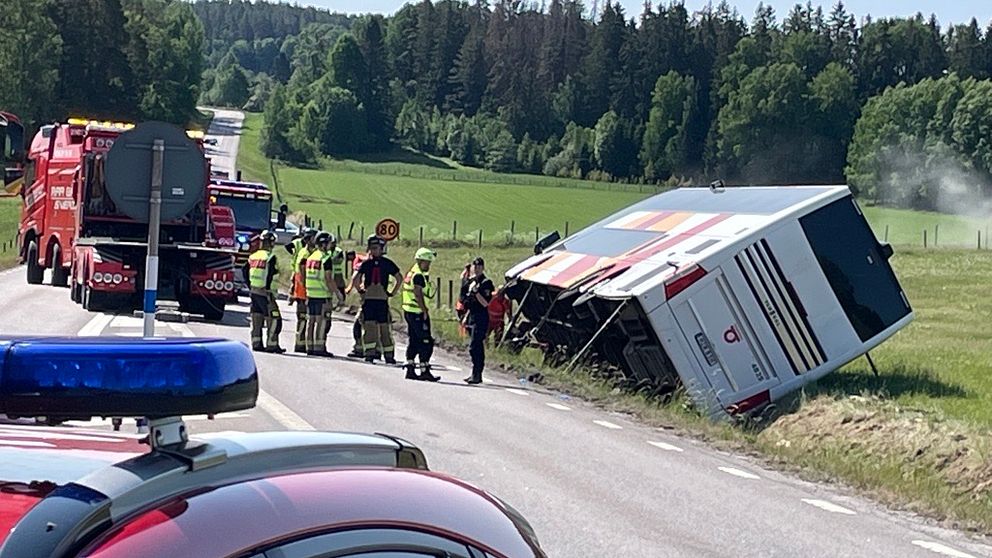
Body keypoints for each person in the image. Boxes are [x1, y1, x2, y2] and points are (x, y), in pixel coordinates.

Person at [350, 235, 403, 364]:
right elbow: (399, 278)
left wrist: (361, 291)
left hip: (374, 300)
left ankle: (379, 355)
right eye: (373, 248)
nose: (374, 250)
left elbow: (355, 279)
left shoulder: (368, 263)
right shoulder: (385, 263)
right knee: (374, 328)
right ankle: (378, 355)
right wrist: (392, 292)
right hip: (376, 300)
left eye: (376, 248)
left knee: (378, 329)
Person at [401, 248, 441, 382]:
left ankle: (410, 368)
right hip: (417, 312)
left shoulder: (412, 272)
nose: (429, 265)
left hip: (409, 311)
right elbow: (418, 293)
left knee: (413, 340)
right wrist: (424, 310)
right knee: (426, 341)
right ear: (420, 261)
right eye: (427, 262)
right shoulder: (418, 275)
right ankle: (424, 370)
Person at [304, 232, 341, 356]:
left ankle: (310, 346)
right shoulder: (325, 259)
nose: (331, 245)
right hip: (322, 295)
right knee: (321, 322)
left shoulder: (311, 257)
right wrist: (337, 293)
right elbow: (328, 279)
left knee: (311, 321)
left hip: (310, 294)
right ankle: (319, 347)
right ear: (324, 244)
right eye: (330, 243)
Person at [247, 230, 284, 353]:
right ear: (271, 243)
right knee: (274, 318)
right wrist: (268, 289)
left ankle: (256, 343)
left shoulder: (253, 256)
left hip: (254, 292)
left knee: (257, 317)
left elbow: (244, 271)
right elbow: (270, 274)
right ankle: (272, 345)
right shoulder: (270, 257)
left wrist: (250, 285)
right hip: (266, 293)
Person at [462, 257, 495, 384]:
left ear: (483, 268)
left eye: (479, 267)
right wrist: (466, 317)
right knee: (474, 346)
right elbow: (469, 302)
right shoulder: (471, 281)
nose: (476, 269)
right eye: (475, 267)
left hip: (481, 317)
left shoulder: (486, 283)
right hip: (472, 316)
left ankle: (477, 373)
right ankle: (474, 373)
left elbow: (485, 303)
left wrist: (476, 292)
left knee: (475, 346)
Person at [290, 228, 316, 353]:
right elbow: (302, 273)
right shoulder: (306, 254)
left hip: (302, 292)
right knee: (303, 319)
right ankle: (300, 345)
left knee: (303, 319)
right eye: (314, 238)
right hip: (303, 293)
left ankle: (301, 343)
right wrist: (307, 289)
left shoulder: (305, 252)